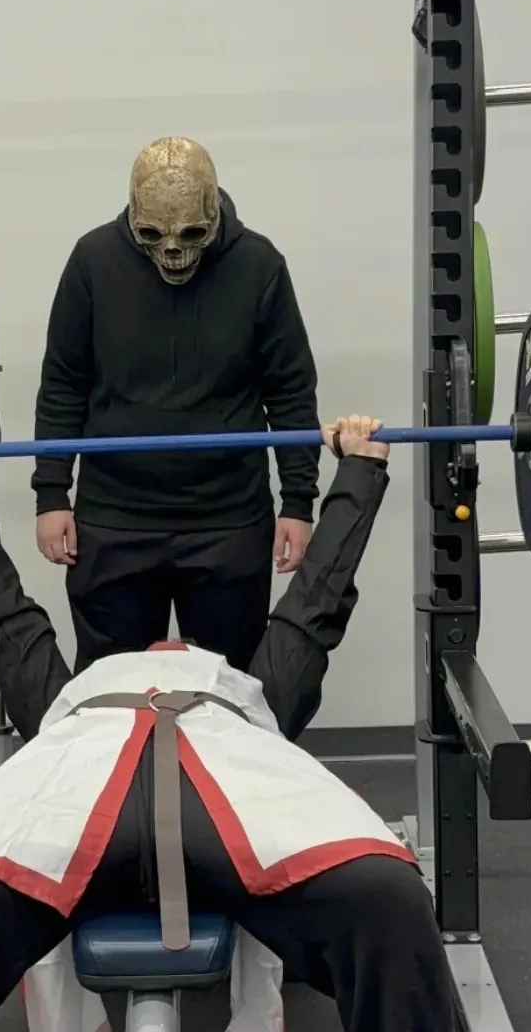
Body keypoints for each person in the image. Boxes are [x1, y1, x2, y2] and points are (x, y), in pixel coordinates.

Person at [0, 416, 455, 1032]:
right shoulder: (74, 699)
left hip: (232, 802)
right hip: (77, 798)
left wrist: (362, 465)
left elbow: (317, 599)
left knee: (392, 900)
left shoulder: (243, 692)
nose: (167, 644)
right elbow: (4, 614)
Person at [32, 137, 320, 674]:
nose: (172, 251)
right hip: (115, 519)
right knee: (110, 704)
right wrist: (51, 493)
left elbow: (290, 390)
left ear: (212, 214)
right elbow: (64, 383)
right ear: (134, 217)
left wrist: (298, 503)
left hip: (228, 522)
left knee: (232, 699)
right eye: (152, 236)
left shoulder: (259, 264)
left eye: (190, 235)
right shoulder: (93, 261)